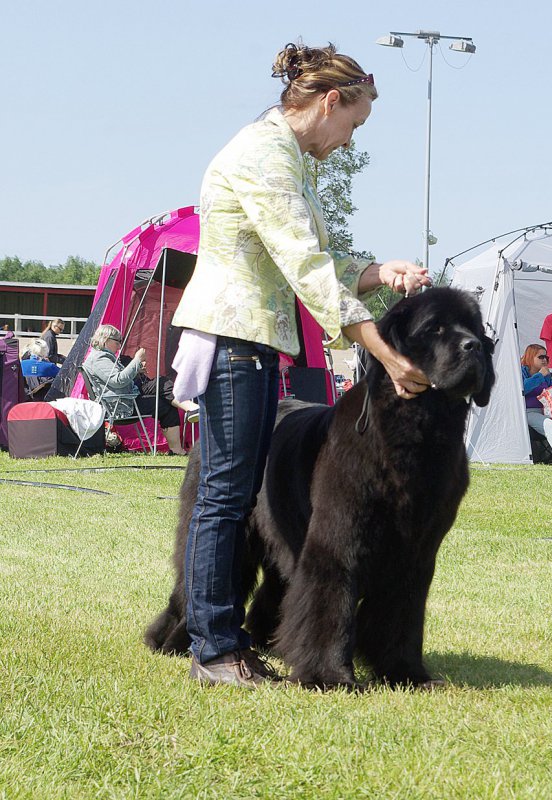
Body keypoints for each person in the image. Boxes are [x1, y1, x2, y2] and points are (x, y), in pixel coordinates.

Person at [170, 42, 432, 688]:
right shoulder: (262, 157)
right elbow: (307, 269)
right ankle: (215, 649)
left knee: (231, 492)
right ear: (328, 102)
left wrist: (377, 271)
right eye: (354, 124)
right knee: (226, 495)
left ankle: (225, 637)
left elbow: (323, 257)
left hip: (255, 344)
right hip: (233, 341)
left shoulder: (287, 160)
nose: (348, 141)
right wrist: (383, 354)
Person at [83, 324, 199, 455]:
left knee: (162, 391)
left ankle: (177, 448)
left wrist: (136, 369)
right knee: (162, 388)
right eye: (117, 342)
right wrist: (137, 360)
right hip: (121, 406)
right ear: (106, 339)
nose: (119, 346)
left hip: (123, 400)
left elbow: (115, 379)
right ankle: (190, 409)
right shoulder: (100, 358)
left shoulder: (99, 357)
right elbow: (117, 380)